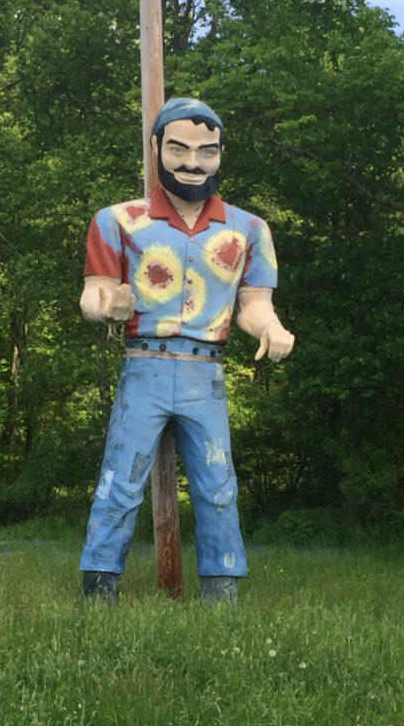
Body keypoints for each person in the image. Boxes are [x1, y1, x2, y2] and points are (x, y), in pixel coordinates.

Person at [78, 97, 295, 605]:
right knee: (120, 478)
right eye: (177, 149)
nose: (192, 162)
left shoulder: (249, 230)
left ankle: (222, 593)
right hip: (144, 367)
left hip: (206, 374)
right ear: (155, 148)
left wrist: (273, 327)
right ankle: (97, 591)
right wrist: (108, 303)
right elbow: (93, 291)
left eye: (206, 151)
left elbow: (253, 305)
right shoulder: (118, 220)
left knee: (219, 483)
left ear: (222, 154)